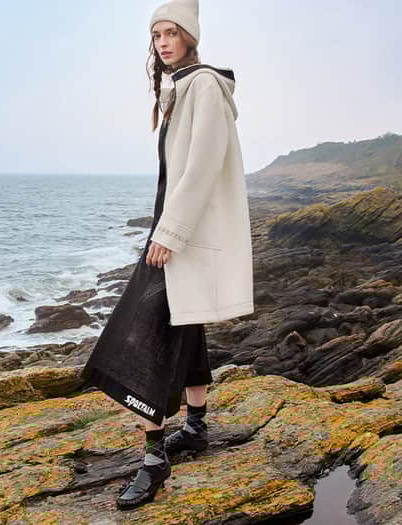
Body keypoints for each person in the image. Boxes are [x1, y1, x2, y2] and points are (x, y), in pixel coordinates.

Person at [79, 0, 254, 511]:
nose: (162, 42)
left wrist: (170, 233)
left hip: (178, 235)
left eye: (172, 33)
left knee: (141, 341)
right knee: (185, 324)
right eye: (156, 35)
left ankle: (154, 460)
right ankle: (195, 427)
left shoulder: (203, 85)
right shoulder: (180, 88)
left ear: (190, 37)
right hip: (173, 232)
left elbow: (201, 167)